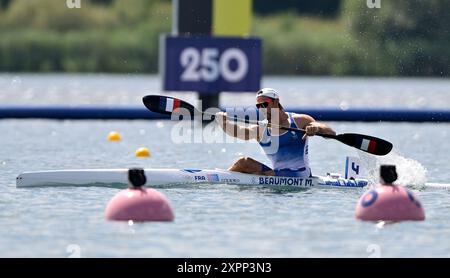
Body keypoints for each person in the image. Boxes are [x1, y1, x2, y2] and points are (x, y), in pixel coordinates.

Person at [215, 88, 336, 177]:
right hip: (276, 175)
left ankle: (222, 178)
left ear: (276, 102)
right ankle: (221, 179)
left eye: (264, 104)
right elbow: (239, 132)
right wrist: (224, 123)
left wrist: (315, 127)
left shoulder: (299, 121)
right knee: (242, 163)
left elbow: (330, 133)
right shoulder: (261, 129)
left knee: (252, 169)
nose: (261, 108)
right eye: (258, 106)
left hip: (301, 174)